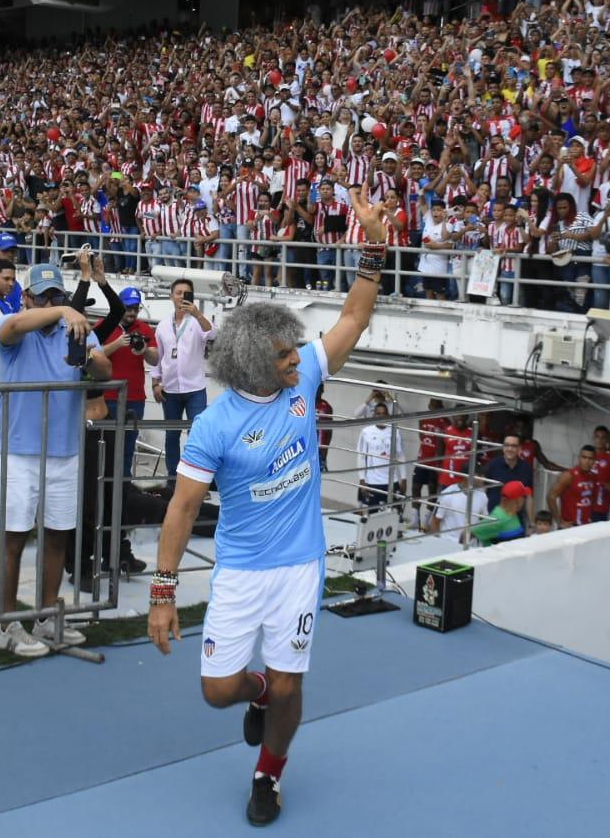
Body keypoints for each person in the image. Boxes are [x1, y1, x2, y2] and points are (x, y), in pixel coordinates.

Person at [146, 186, 387, 827]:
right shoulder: (214, 426)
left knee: (290, 684)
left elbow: (354, 318)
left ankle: (267, 777)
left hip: (299, 566)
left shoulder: (304, 372)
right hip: (242, 570)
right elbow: (179, 510)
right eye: (283, 354)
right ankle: (253, 697)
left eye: (293, 349)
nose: (296, 357)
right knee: (218, 691)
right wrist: (163, 591)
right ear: (255, 364)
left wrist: (373, 243)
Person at [0, 262, 112, 658]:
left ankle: (44, 616)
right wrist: (63, 311)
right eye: (42, 295)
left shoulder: (72, 331)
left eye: (56, 296)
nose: (49, 301)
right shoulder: (15, 327)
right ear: (27, 298)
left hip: (63, 450)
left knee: (57, 535)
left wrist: (87, 359)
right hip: (18, 451)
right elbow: (10, 329)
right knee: (13, 537)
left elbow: (105, 368)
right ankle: (6, 624)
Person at [151, 278, 214, 481]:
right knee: (171, 436)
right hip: (170, 389)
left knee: (197, 436)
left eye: (186, 293)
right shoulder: (162, 325)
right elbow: (158, 356)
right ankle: (172, 479)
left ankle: (196, 480)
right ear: (171, 296)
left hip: (195, 388)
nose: (181, 296)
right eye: (178, 292)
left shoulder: (197, 321)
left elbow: (211, 333)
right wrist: (155, 382)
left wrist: (196, 313)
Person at [102, 286, 159, 477]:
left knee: (127, 449)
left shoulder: (143, 328)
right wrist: (117, 344)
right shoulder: (105, 324)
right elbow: (92, 354)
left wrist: (144, 349)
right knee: (106, 449)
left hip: (134, 398)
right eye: (128, 308)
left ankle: (123, 492)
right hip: (108, 397)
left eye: (136, 308)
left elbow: (155, 359)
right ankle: (105, 492)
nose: (132, 313)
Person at [355, 400, 400, 512]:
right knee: (372, 515)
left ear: (388, 415)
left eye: (384, 413)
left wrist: (401, 478)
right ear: (374, 415)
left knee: (393, 514)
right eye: (378, 413)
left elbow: (400, 456)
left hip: (391, 480)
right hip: (373, 481)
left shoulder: (395, 431)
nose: (381, 416)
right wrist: (362, 480)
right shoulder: (366, 431)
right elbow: (361, 457)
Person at [411, 399, 448, 529]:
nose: (434, 408)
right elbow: (421, 437)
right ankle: (415, 518)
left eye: (438, 405)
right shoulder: (423, 419)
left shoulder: (445, 422)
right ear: (429, 406)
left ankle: (427, 519)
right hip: (422, 459)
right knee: (415, 487)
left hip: (435, 462)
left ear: (441, 407)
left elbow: (443, 442)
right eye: (433, 405)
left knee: (432, 489)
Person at [548, 444, 603, 528]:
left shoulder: (594, 477)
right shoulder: (569, 475)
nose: (587, 461)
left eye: (590, 459)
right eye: (584, 457)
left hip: (586, 525)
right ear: (579, 458)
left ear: (594, 461)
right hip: (570, 525)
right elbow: (551, 496)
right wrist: (559, 521)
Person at [483, 433, 535, 514]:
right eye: (507, 445)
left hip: (516, 518)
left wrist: (531, 523)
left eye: (514, 446)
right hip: (494, 518)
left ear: (520, 448)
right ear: (503, 447)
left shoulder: (526, 468)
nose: (509, 449)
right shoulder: (492, 465)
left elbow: (529, 497)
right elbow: (483, 491)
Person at [469, 480, 530, 546]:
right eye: (524, 497)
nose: (525, 499)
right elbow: (468, 533)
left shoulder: (513, 514)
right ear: (518, 500)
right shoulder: (497, 518)